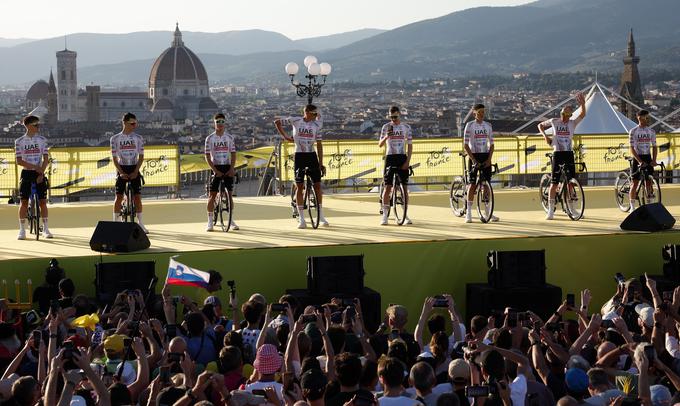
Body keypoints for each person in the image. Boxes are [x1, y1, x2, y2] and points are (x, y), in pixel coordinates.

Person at [274, 104, 329, 229]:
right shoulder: (296, 120)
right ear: (307, 112)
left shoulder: (317, 125)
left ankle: (321, 216)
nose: (316, 116)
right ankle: (302, 218)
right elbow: (277, 122)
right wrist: (286, 137)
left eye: (316, 114)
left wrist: (321, 163)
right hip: (299, 155)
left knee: (317, 186)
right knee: (300, 186)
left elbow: (319, 145)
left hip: (312, 156)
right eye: (314, 114)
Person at [538, 92, 586, 220]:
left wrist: (583, 104)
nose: (565, 116)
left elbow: (583, 115)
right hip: (557, 153)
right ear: (561, 113)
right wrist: (545, 137)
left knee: (571, 182)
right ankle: (550, 210)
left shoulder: (572, 123)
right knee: (554, 183)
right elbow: (540, 125)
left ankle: (572, 208)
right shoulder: (554, 121)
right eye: (563, 113)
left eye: (568, 114)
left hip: (569, 153)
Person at [15, 115, 51, 239]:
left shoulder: (42, 140)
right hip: (27, 172)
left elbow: (46, 158)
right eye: (36, 125)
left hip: (39, 171)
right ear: (28, 126)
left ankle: (46, 229)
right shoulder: (19, 142)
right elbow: (19, 161)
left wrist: (41, 171)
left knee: (42, 201)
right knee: (24, 201)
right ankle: (22, 230)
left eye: (38, 124)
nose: (38, 127)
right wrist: (35, 167)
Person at [110, 112, 147, 233]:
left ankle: (140, 223)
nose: (134, 126)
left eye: (136, 123)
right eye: (132, 123)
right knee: (119, 196)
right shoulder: (114, 139)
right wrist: (120, 173)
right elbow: (114, 159)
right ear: (124, 123)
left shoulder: (139, 138)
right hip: (121, 167)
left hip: (134, 166)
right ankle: (115, 222)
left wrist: (136, 171)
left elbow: (141, 157)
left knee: (137, 196)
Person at [462, 104, 499, 223]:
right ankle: (468, 212)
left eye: (483, 112)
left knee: (486, 185)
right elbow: (465, 145)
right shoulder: (470, 125)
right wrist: (473, 159)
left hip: (485, 156)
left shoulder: (488, 126)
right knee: (472, 185)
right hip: (474, 155)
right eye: (479, 112)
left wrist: (489, 159)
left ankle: (487, 212)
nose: (482, 114)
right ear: (474, 113)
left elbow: (492, 144)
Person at [378, 106, 413, 226]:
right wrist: (387, 136)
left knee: (404, 188)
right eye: (391, 117)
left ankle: (405, 214)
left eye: (395, 117)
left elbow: (409, 145)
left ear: (400, 115)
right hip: (390, 158)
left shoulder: (406, 127)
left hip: (402, 156)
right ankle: (385, 215)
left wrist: (408, 161)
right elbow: (380, 144)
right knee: (388, 187)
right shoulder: (386, 127)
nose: (393, 119)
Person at [205, 113, 239, 231]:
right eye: (217, 122)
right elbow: (207, 157)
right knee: (212, 195)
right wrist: (214, 170)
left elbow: (233, 153)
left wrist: (232, 168)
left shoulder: (229, 138)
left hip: (227, 166)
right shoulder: (209, 138)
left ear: (225, 123)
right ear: (214, 123)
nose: (220, 124)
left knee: (229, 194)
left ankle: (231, 219)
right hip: (216, 167)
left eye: (222, 122)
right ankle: (209, 222)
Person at [628, 109, 658, 212]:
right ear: (639, 118)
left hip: (647, 156)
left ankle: (649, 205)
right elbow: (631, 148)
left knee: (648, 181)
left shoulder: (651, 131)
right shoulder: (633, 131)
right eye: (646, 117)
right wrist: (639, 161)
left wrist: (654, 160)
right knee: (635, 183)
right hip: (637, 157)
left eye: (648, 117)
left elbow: (654, 146)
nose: (648, 119)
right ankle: (632, 206)